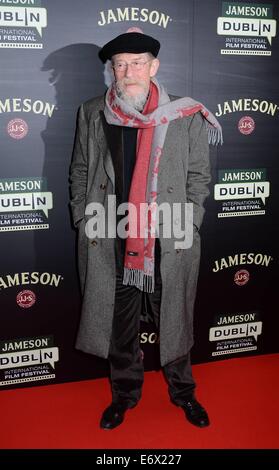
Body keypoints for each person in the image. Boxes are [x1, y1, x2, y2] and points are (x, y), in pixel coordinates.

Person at [70, 29, 222, 430]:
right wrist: (81, 219)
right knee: (119, 321)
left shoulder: (184, 114)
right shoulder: (92, 112)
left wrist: (189, 222)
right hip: (110, 233)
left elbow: (198, 176)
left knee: (174, 315)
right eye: (120, 64)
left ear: (154, 67)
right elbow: (80, 171)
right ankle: (124, 395)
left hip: (167, 235)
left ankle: (184, 393)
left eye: (137, 63)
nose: (128, 71)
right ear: (111, 70)